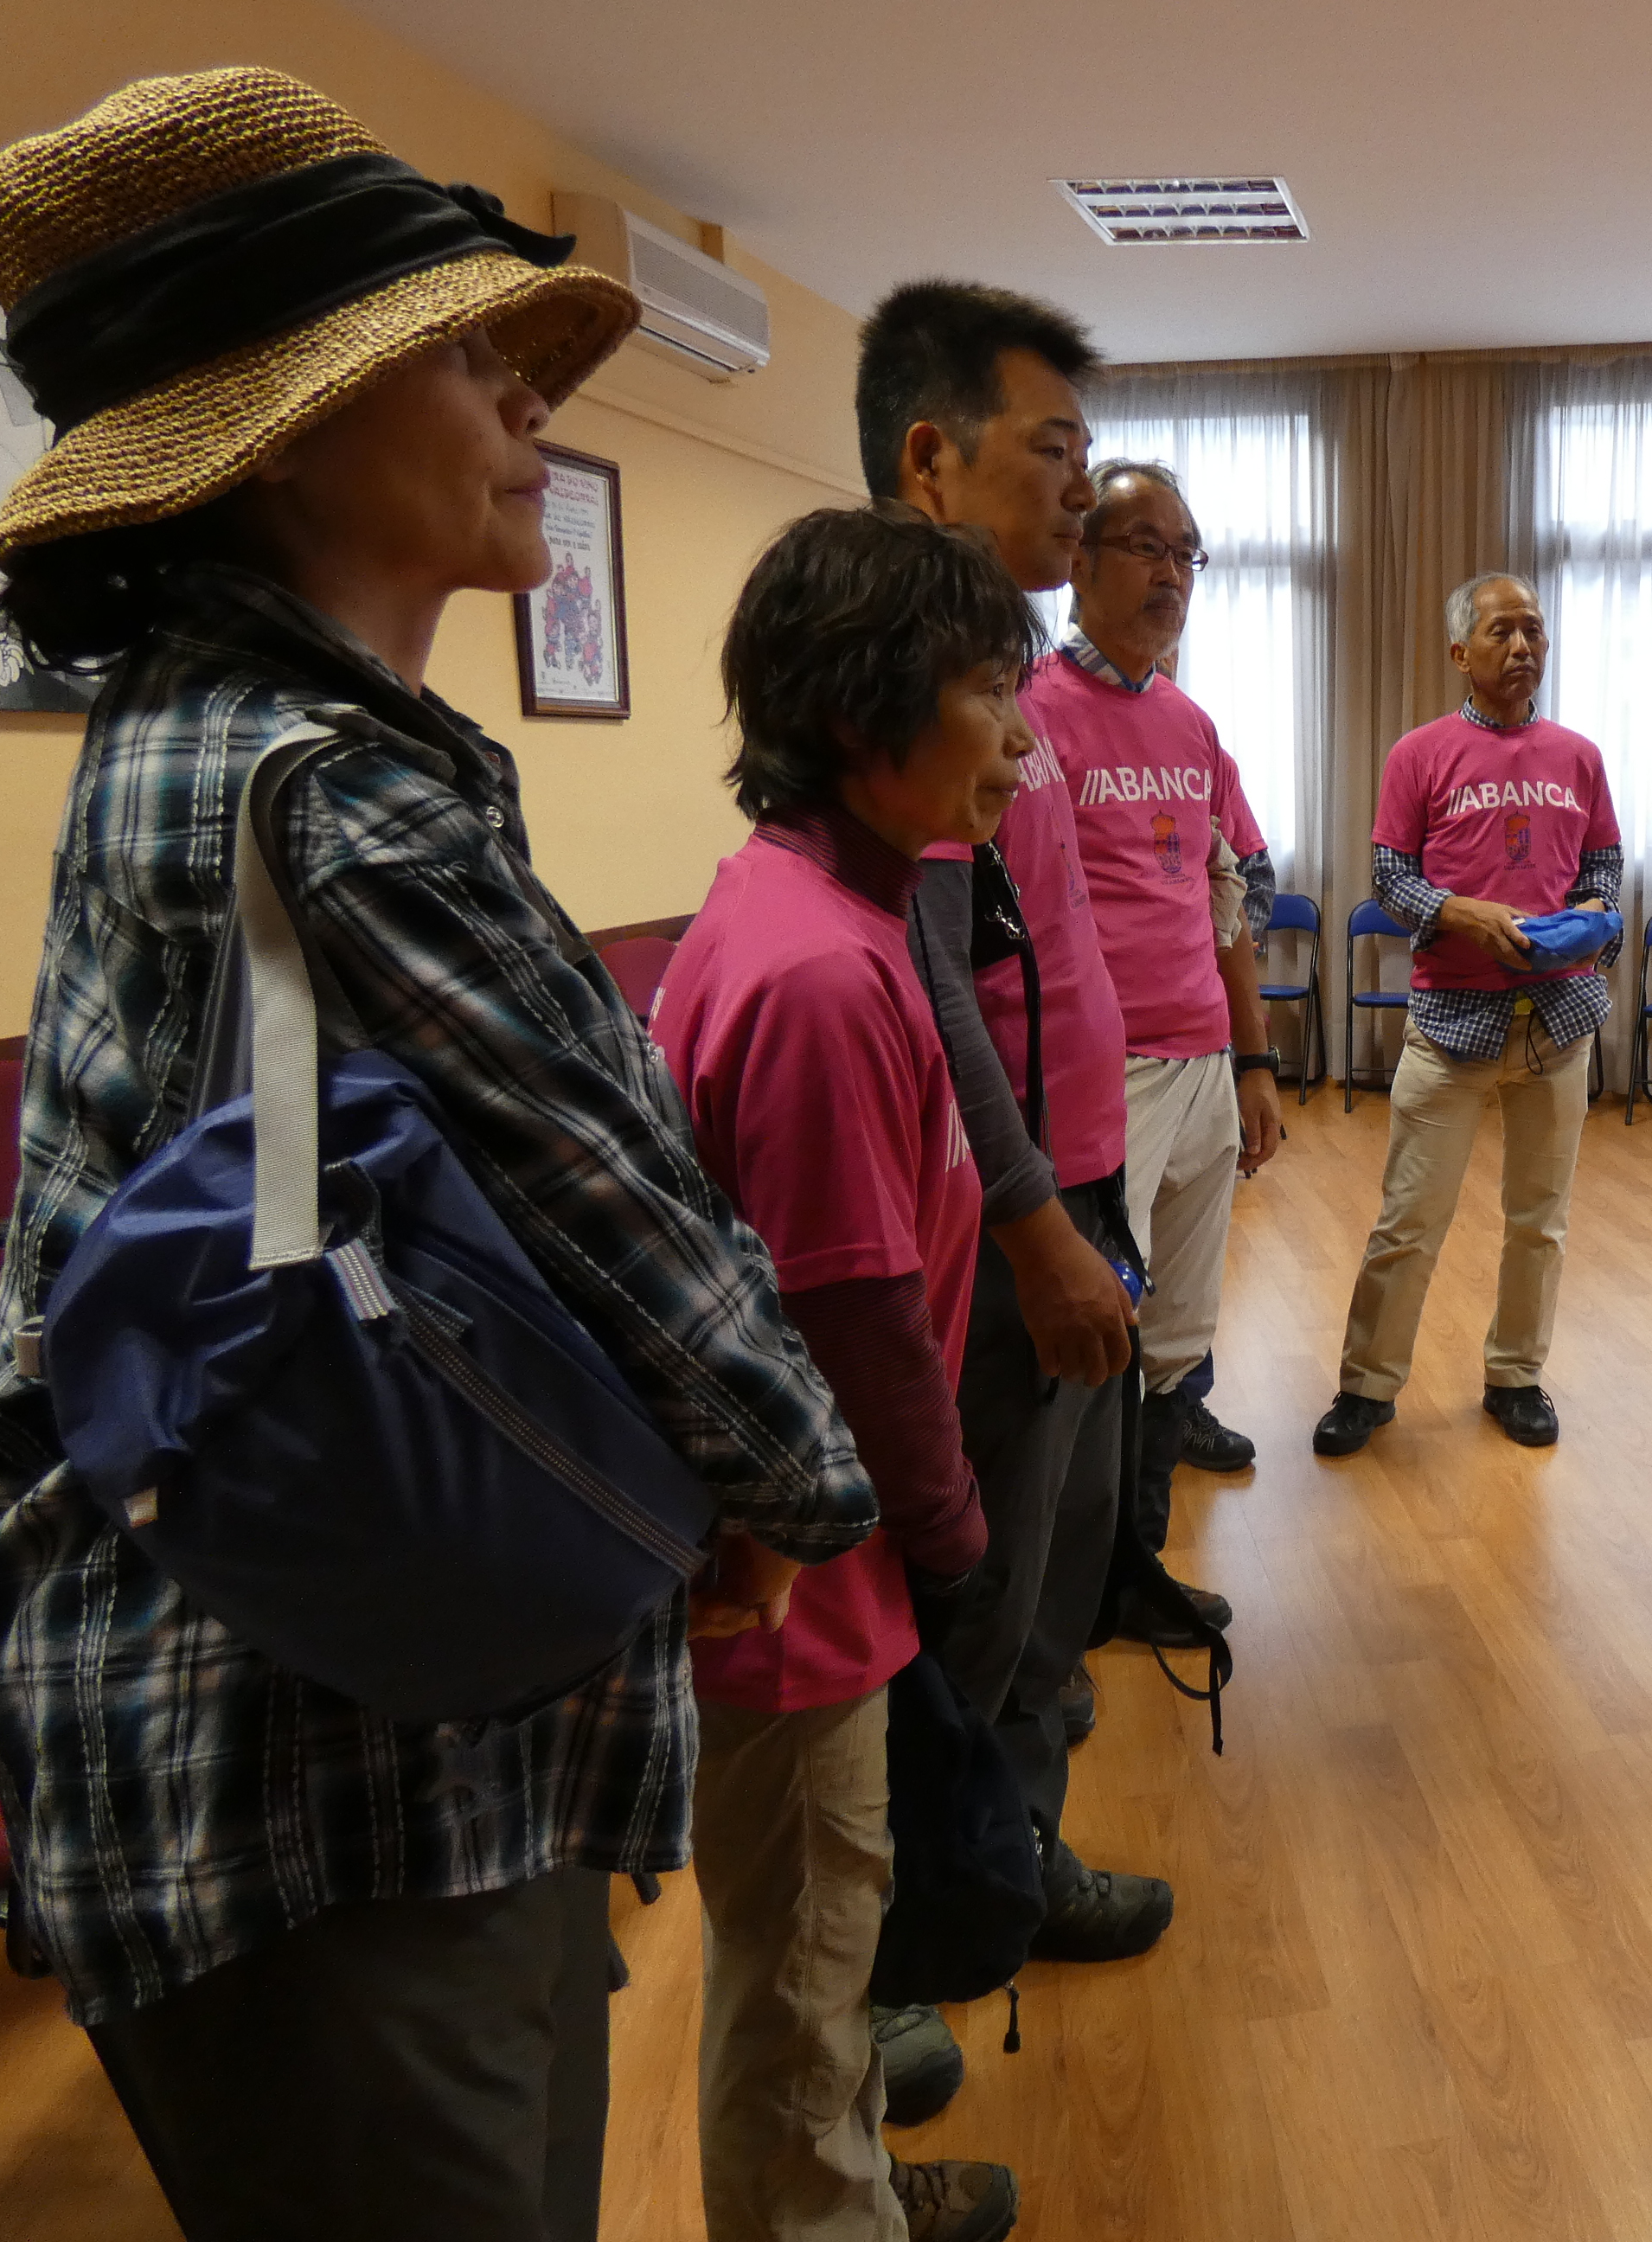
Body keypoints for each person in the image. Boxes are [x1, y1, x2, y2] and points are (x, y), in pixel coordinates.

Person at [0, 69, 874, 2240]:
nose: (525, 400)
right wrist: (786, 1492)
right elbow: (629, 1221)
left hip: (387, 1688)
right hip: (302, 1764)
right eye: (462, 356)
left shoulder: (217, 732)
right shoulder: (322, 791)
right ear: (282, 431)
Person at [656, 506, 1034, 2242]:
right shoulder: (815, 971)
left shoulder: (826, 904)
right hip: (804, 1583)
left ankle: (848, 2183)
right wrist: (955, 1545)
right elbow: (857, 1322)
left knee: (822, 1939)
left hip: (827, 1555)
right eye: (984, 690)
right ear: (858, 711)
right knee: (805, 1968)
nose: (1017, 737)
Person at [852, 285, 1175, 2055]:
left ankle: (1018, 1862)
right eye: (1053, 450)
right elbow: (927, 972)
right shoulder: (909, 683)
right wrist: (1037, 1217)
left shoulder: (1014, 674)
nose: (1082, 487)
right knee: (968, 1604)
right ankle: (904, 1962)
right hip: (999, 1219)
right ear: (931, 459)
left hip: (1081, 1183)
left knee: (1058, 1590)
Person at [1028, 459, 1283, 1638]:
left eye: (1187, 553)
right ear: (1077, 559)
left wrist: (1255, 1060)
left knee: (1178, 1334)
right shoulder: (1033, 712)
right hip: (1104, 1076)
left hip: (1203, 1065)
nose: (1171, 572)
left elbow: (1227, 902)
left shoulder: (1191, 722)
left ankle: (1134, 1575)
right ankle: (1064, 1606)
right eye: (1145, 546)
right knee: (1099, 1334)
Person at [1314, 574, 1622, 1457]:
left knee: (1540, 1219)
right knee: (1409, 1219)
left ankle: (1516, 1377)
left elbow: (1604, 869)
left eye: (1534, 630)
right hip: (1452, 1025)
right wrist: (1461, 914)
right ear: (1460, 652)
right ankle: (1368, 1387)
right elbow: (1390, 877)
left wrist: (1594, 916)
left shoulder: (1580, 756)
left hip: (1559, 1022)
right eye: (1501, 631)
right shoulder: (1420, 753)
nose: (1522, 646)